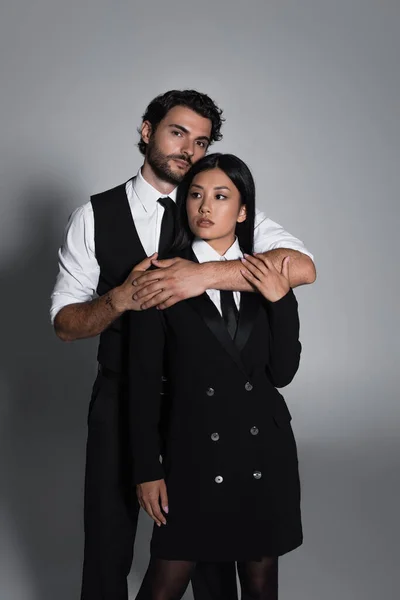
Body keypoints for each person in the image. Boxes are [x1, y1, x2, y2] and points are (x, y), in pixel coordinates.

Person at [50, 89, 315, 600]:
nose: (189, 150)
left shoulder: (224, 202)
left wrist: (201, 275)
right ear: (147, 130)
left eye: (202, 140)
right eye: (177, 133)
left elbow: (301, 268)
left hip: (211, 406)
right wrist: (123, 298)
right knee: (110, 540)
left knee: (213, 559)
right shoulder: (95, 216)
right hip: (128, 390)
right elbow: (64, 323)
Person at [130, 153, 303, 600]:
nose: (205, 207)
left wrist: (282, 301)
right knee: (164, 584)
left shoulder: (264, 273)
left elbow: (282, 373)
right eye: (196, 195)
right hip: (192, 457)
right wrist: (148, 469)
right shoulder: (162, 275)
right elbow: (144, 382)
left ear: (243, 211)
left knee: (261, 588)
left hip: (261, 454)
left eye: (221, 196)